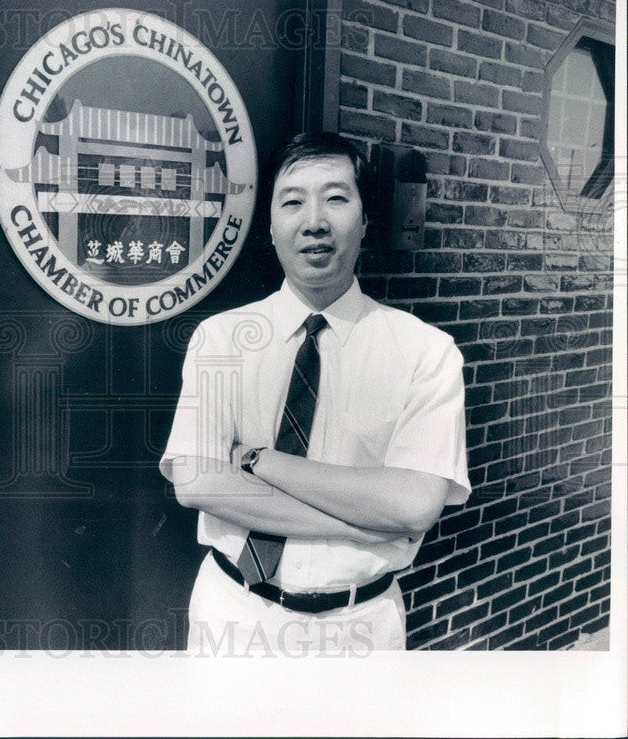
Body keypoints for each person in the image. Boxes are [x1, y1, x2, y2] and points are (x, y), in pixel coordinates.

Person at [160, 131, 469, 655]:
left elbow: (416, 505)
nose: (315, 221)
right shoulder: (220, 338)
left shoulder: (427, 352)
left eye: (336, 198)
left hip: (360, 629)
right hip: (232, 617)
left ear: (366, 221)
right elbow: (197, 483)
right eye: (294, 201)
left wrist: (259, 460)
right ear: (273, 228)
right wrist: (363, 525)